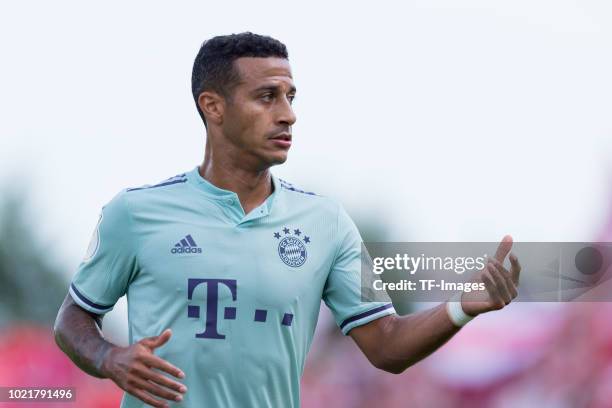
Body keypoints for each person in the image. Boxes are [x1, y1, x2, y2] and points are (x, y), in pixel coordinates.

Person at [53, 32, 521, 408]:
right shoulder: (135, 213)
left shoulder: (327, 222)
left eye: (291, 96)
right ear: (213, 106)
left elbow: (387, 344)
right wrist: (108, 357)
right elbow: (73, 317)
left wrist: (463, 306)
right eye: (267, 97)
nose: (289, 115)